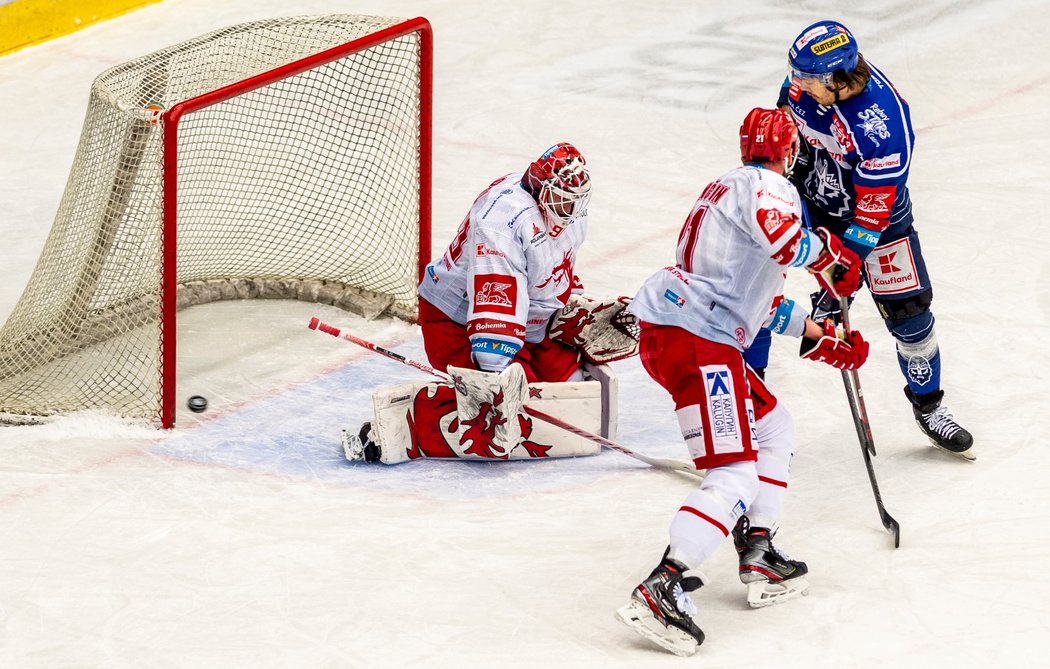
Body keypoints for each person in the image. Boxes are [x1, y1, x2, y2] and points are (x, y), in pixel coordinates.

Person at [615, 108, 870, 656]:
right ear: (789, 152)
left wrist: (815, 330)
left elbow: (755, 297)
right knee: (733, 470)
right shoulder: (769, 185)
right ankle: (663, 584)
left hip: (690, 330)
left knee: (774, 428)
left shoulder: (728, 188)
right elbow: (787, 247)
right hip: (699, 340)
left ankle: (758, 549)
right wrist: (833, 258)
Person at [344, 143, 637, 464]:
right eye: (563, 200)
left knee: (571, 389)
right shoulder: (502, 219)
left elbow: (553, 268)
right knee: (510, 416)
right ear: (539, 188)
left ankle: (523, 382)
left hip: (527, 319)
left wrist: (569, 312)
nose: (571, 209)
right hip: (458, 323)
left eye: (576, 200)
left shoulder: (568, 212)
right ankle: (406, 429)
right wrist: (495, 375)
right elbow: (495, 301)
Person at [771, 19, 974, 460]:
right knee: (768, 295)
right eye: (794, 74)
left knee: (911, 318)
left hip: (880, 227)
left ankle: (929, 406)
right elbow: (786, 147)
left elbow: (875, 207)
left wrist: (850, 258)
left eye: (804, 77)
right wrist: (804, 220)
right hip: (821, 211)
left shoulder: (881, 126)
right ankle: (756, 410)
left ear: (836, 79)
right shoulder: (804, 91)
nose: (795, 85)